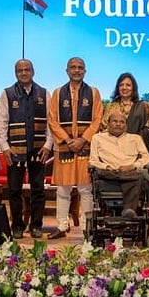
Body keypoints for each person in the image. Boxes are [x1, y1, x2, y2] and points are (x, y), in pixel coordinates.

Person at [0, 59, 53, 239]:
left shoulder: (44, 94)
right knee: (14, 190)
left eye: (26, 69)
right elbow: (2, 122)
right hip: (15, 150)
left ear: (33, 71)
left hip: (38, 149)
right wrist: (4, 147)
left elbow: (51, 123)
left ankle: (36, 226)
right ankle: (17, 226)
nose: (23, 73)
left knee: (38, 189)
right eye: (20, 70)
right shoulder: (7, 94)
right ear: (15, 73)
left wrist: (47, 145)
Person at [47, 57, 102, 239]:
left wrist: (83, 139)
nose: (76, 70)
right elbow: (53, 120)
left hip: (85, 147)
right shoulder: (57, 93)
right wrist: (68, 140)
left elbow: (97, 120)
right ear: (67, 70)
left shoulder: (93, 93)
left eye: (80, 68)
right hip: (64, 148)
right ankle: (62, 226)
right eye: (73, 67)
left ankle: (87, 227)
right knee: (63, 190)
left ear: (85, 71)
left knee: (86, 189)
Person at [89, 111, 149, 217]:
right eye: (115, 121)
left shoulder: (135, 138)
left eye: (122, 122)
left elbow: (147, 157)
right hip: (109, 173)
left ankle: (128, 210)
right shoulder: (98, 138)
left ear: (126, 125)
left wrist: (132, 166)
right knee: (101, 173)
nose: (118, 124)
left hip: (130, 172)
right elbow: (93, 161)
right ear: (108, 124)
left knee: (140, 175)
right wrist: (107, 167)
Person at [103, 72, 149, 147]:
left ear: (133, 88)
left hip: (137, 146)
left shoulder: (144, 106)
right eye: (121, 85)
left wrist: (137, 139)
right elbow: (104, 127)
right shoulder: (111, 107)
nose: (124, 88)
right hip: (113, 146)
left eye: (128, 85)